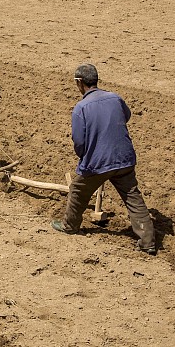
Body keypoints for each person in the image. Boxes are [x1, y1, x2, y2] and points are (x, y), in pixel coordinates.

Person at [51, 63, 158, 255]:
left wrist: (85, 157)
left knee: (77, 190)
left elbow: (79, 141)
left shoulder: (81, 108)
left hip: (98, 162)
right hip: (124, 158)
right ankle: (147, 241)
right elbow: (126, 116)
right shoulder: (115, 98)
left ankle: (70, 226)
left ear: (79, 82)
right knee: (133, 197)